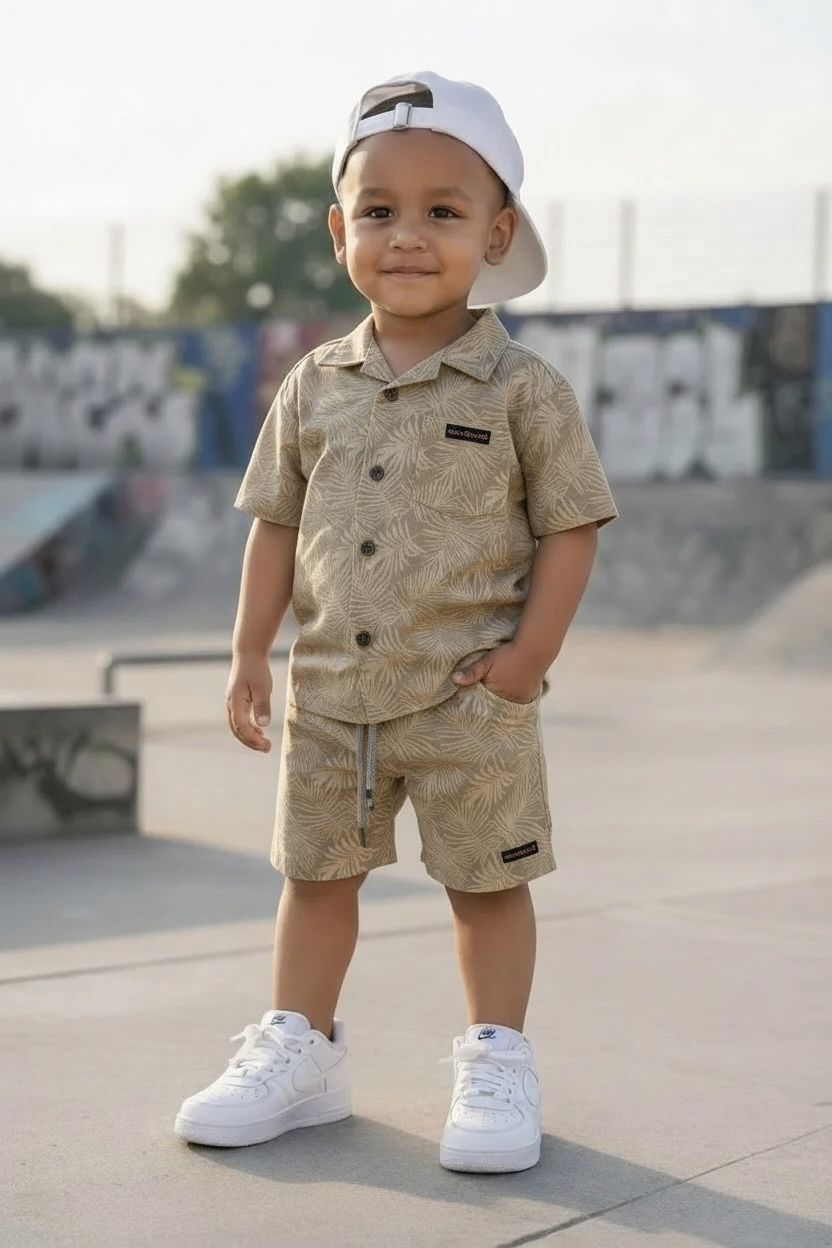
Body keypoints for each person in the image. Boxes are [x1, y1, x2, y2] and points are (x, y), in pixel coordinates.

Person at [175, 70, 617, 1173]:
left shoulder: (523, 389)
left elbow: (571, 526)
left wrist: (526, 660)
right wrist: (248, 650)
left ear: (495, 233)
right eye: (377, 210)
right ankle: (302, 1049)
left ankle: (497, 1059)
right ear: (340, 234)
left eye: (442, 211)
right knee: (315, 878)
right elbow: (275, 524)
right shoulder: (312, 384)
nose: (406, 235)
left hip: (470, 699)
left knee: (487, 885)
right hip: (331, 694)